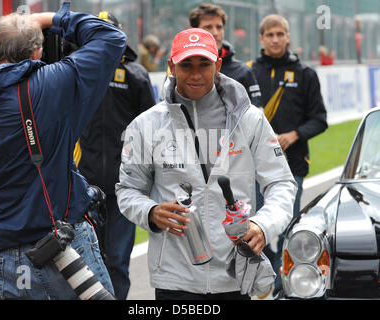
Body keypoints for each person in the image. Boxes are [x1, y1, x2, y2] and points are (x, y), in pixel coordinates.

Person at [116, 28, 297, 300]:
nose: (196, 74)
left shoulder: (249, 119)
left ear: (218, 65)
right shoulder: (146, 125)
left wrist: (263, 225)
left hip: (236, 273)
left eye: (204, 64)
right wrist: (151, 212)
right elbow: (127, 190)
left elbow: (281, 183)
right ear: (171, 66)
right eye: (186, 64)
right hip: (175, 278)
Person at [0, 3, 127, 299]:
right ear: (37, 52)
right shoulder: (55, 83)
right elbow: (111, 37)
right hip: (61, 249)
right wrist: (51, 19)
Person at [74, 11, 156, 300]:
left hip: (125, 188)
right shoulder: (76, 73)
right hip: (84, 186)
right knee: (84, 261)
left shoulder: (135, 75)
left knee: (117, 261)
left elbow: (153, 130)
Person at [248, 14, 328, 296]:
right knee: (257, 228)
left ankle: (285, 285)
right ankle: (267, 274)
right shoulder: (249, 73)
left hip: (291, 167)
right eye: (270, 35)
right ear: (261, 39)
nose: (275, 39)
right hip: (252, 170)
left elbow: (320, 119)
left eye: (280, 34)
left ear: (288, 36)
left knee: (285, 228)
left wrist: (294, 135)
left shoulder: (306, 74)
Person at [189, 3, 262, 107]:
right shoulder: (180, 69)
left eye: (219, 27)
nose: (215, 33)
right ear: (193, 31)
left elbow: (256, 117)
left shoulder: (243, 72)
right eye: (208, 27)